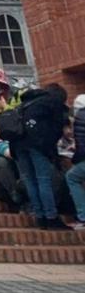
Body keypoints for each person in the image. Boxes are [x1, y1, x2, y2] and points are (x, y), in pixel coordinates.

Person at [12, 83, 70, 230]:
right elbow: (58, 128)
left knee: (30, 180)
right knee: (44, 180)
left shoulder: (27, 102)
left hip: (18, 144)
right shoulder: (52, 103)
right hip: (37, 144)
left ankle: (40, 216)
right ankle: (51, 217)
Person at [67, 94, 85, 230]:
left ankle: (83, 216)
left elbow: (82, 146)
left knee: (72, 177)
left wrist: (74, 159)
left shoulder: (80, 117)